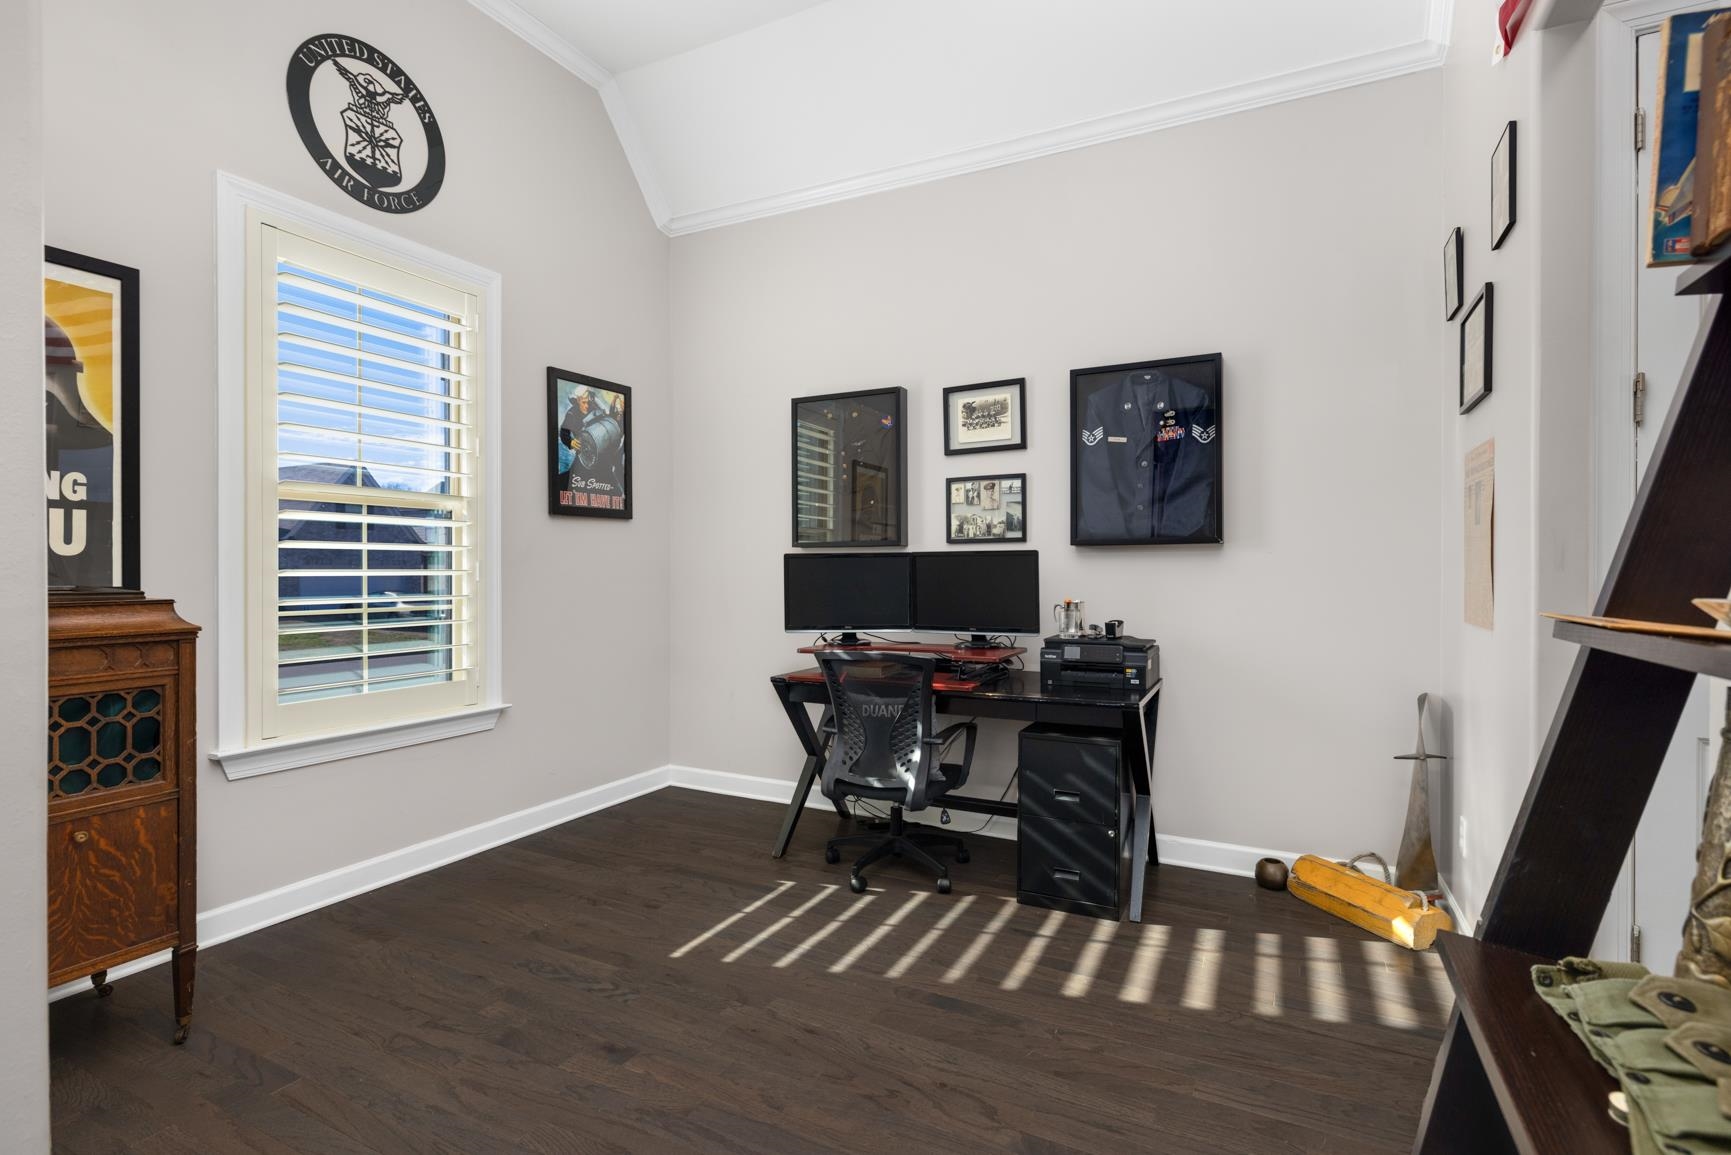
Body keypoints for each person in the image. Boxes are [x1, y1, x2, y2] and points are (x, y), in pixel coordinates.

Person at [1076, 367, 1218, 542]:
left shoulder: (1192, 399)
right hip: (1110, 540)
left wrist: (1174, 537)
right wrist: (1111, 537)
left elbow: (1195, 473)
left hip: (1184, 538)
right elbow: (1096, 476)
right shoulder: (1101, 403)